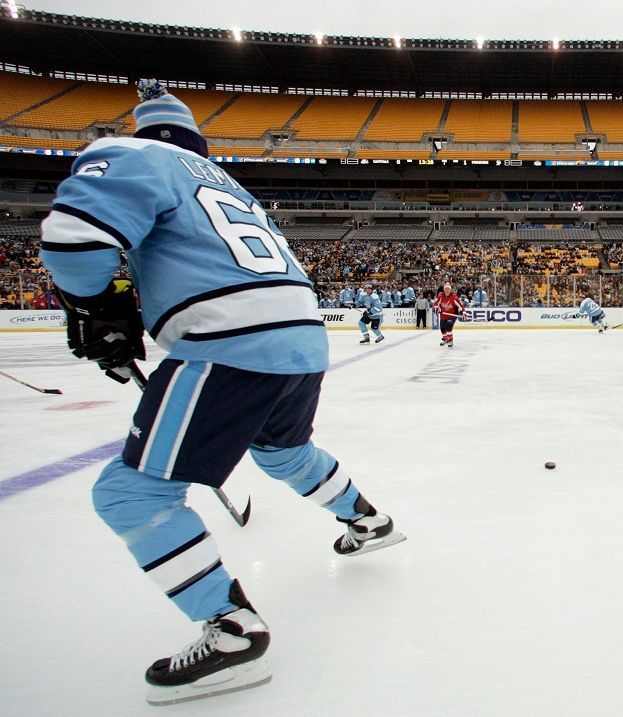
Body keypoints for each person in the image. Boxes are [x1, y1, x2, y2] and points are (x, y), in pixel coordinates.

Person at [38, 80, 404, 706]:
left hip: (227, 339)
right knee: (284, 453)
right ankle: (367, 519)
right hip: (299, 336)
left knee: (131, 493)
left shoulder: (132, 155)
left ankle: (233, 632)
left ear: (143, 133)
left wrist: (101, 310)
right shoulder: (229, 184)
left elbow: (74, 238)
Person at [434, 282, 465, 348]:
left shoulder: (454, 297)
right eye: (445, 289)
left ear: (450, 290)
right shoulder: (441, 295)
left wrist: (463, 312)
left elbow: (460, 304)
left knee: (448, 325)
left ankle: (450, 340)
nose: (447, 290)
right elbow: (436, 303)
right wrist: (437, 307)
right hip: (444, 314)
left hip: (452, 314)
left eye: (448, 289)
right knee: (442, 328)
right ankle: (446, 339)